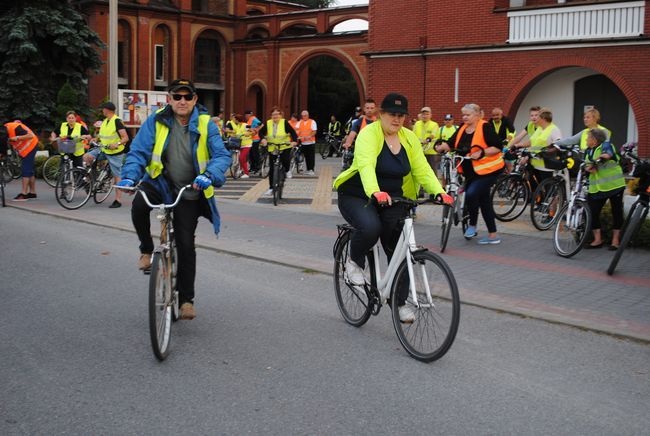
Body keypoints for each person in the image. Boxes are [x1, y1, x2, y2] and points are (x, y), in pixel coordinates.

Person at [116, 78, 230, 320]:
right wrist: (129, 177)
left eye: (187, 97)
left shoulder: (206, 123)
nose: (182, 101)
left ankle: (186, 300)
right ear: (169, 99)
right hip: (159, 182)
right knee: (138, 205)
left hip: (190, 189)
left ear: (195, 100)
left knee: (186, 244)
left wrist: (210, 175)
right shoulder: (157, 120)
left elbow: (221, 155)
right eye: (177, 97)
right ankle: (146, 249)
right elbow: (139, 151)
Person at [333, 93, 452, 323]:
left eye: (401, 115)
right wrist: (375, 192)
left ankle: (399, 303)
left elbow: (422, 169)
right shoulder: (369, 134)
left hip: (393, 198)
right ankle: (354, 263)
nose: (397, 120)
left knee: (401, 248)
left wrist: (440, 191)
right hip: (358, 194)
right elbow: (366, 165)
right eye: (392, 114)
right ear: (380, 114)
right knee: (370, 227)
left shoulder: (408, 138)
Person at [436, 103, 505, 245]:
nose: (464, 117)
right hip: (471, 172)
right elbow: (451, 143)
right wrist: (441, 147)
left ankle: (472, 225)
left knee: (472, 193)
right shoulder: (462, 128)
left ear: (477, 115)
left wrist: (483, 152)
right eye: (463, 114)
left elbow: (498, 146)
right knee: (484, 200)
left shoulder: (485, 127)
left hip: (488, 170)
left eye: (468, 114)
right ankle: (493, 235)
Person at [583, 128, 626, 250]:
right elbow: (586, 166)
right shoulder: (587, 151)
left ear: (594, 140)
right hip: (596, 188)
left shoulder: (606, 145)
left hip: (614, 186)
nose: (586, 139)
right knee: (592, 212)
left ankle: (615, 240)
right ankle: (597, 240)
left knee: (616, 212)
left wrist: (596, 163)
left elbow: (608, 155)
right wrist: (588, 168)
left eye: (588, 137)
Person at [85, 101, 129, 208]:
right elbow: (102, 135)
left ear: (107, 110)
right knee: (87, 157)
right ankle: (94, 180)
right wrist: (95, 138)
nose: (102, 111)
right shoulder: (105, 121)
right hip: (104, 149)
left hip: (115, 152)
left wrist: (117, 143)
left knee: (116, 175)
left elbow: (125, 138)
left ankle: (118, 200)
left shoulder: (117, 121)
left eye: (103, 109)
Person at [258, 106, 298, 195]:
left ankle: (287, 170)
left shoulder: (284, 122)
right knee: (272, 168)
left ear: (280, 115)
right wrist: (263, 139)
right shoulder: (268, 123)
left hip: (284, 146)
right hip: (273, 147)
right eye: (273, 114)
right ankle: (271, 188)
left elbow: (293, 132)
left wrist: (294, 141)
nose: (275, 116)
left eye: (277, 114)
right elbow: (260, 132)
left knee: (285, 160)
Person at [5, 120, 38, 201]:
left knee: (25, 169)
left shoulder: (14, 127)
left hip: (30, 146)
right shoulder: (7, 128)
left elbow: (30, 135)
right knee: (30, 170)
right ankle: (32, 192)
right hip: (26, 148)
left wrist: (17, 138)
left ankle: (24, 194)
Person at [412, 106, 440, 175]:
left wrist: (427, 140)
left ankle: (433, 185)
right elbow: (413, 135)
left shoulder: (434, 124)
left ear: (430, 115)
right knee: (419, 169)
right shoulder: (417, 124)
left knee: (432, 170)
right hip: (419, 151)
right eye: (423, 114)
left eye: (427, 114)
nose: (425, 116)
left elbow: (433, 135)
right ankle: (421, 185)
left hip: (431, 152)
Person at [296, 110, 317, 176]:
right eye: (302, 116)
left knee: (311, 157)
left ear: (308, 115)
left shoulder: (312, 122)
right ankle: (308, 169)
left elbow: (314, 131)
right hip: (303, 143)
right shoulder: (299, 122)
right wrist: (297, 136)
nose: (304, 117)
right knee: (305, 156)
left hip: (311, 142)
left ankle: (311, 169)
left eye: (305, 115)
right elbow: (296, 130)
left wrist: (310, 136)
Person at [244, 110, 262, 175]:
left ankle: (258, 167)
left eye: (246, 115)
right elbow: (248, 128)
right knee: (251, 154)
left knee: (255, 154)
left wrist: (256, 130)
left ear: (249, 115)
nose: (245, 116)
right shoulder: (249, 120)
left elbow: (261, 125)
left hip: (256, 139)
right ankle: (253, 167)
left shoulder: (254, 119)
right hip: (250, 139)